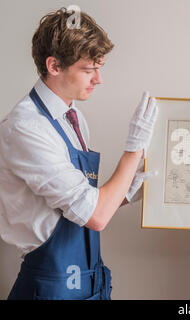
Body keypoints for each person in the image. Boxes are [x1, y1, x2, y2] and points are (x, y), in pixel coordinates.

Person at [0, 8, 158, 300]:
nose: (98, 79)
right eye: (88, 69)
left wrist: (124, 193)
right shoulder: (25, 128)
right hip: (50, 287)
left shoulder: (73, 118)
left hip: (88, 280)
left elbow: (77, 205)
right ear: (54, 66)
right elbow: (95, 216)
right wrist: (133, 150)